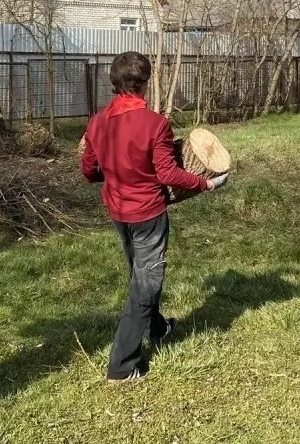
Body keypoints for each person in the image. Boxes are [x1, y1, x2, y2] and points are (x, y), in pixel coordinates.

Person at [80, 51, 229, 383]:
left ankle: (158, 328)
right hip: (147, 214)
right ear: (145, 82)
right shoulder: (155, 124)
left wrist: (117, 173)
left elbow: (89, 171)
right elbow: (169, 173)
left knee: (141, 274)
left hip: (118, 211)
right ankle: (121, 366)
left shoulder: (97, 122)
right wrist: (206, 183)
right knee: (145, 285)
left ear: (114, 83)